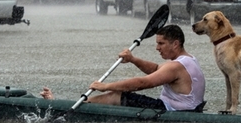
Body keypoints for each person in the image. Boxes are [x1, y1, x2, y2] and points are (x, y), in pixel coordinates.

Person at [40, 25, 206, 111]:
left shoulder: (175, 66)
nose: (157, 48)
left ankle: (66, 107)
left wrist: (105, 86)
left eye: (161, 43)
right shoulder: (188, 60)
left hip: (172, 111)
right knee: (117, 95)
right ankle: (70, 104)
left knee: (116, 95)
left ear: (175, 44)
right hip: (181, 108)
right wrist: (133, 59)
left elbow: (142, 83)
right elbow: (156, 69)